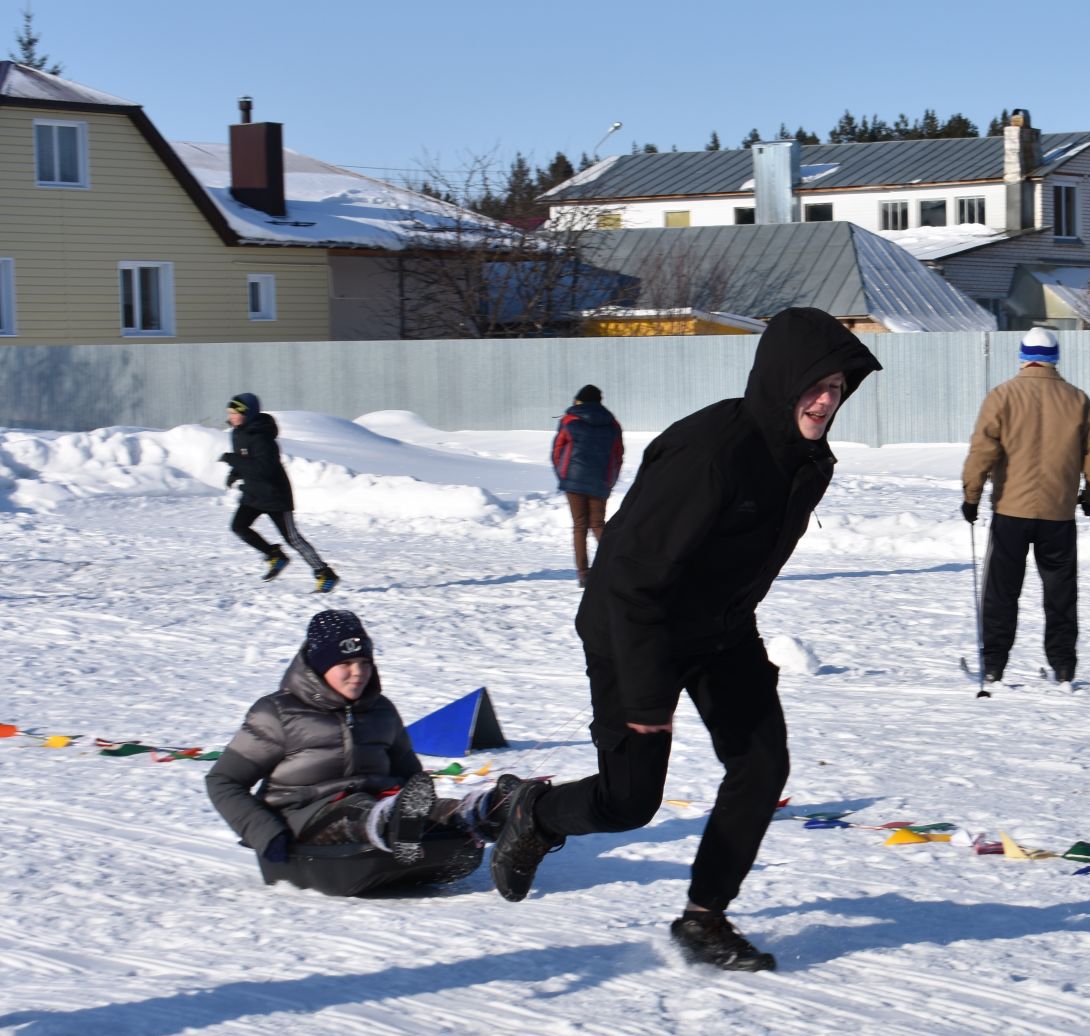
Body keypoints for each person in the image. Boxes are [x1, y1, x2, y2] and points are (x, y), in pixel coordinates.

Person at [487, 307, 882, 971]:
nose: (825, 401)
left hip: (720, 627)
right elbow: (632, 582)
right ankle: (538, 812)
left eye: (837, 390)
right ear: (783, 382)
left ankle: (704, 918)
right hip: (632, 626)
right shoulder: (712, 456)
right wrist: (646, 699)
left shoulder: (806, 461)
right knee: (629, 801)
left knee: (761, 766)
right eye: (815, 386)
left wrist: (739, 643)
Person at [206, 609, 521, 896]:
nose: (358, 672)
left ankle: (486, 812)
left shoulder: (381, 711)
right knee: (359, 808)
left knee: (424, 809)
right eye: (345, 664)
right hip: (302, 822)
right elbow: (223, 781)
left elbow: (412, 780)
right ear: (319, 666)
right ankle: (391, 823)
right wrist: (265, 833)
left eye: (364, 663)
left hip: (385, 806)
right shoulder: (277, 713)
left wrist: (430, 810)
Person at [959, 327, 1090, 684]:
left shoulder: (1003, 396)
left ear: (1023, 357)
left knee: (1001, 592)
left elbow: (983, 451)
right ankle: (1063, 666)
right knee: (1060, 593)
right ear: (1055, 358)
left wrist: (971, 496)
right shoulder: (1078, 400)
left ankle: (994, 665)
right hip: (1058, 515)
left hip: (1011, 511)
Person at [220, 393, 339, 593]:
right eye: (229, 412)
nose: (231, 415)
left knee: (293, 538)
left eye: (236, 412)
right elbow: (245, 458)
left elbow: (263, 470)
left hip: (275, 496)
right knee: (239, 527)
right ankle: (274, 555)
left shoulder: (262, 438)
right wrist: (235, 472)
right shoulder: (237, 433)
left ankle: (325, 573)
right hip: (253, 493)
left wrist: (234, 461)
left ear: (248, 414)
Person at [552, 384, 625, 587]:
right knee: (598, 525)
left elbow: (558, 449)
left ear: (581, 400)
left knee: (580, 526)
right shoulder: (612, 422)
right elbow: (618, 453)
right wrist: (611, 478)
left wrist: (563, 474)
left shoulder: (569, 420)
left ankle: (584, 574)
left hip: (574, 482)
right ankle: (612, 567)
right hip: (600, 481)